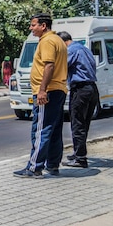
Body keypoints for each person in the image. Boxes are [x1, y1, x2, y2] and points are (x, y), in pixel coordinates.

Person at [14, 13, 67, 178]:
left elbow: (49, 66)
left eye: (33, 25)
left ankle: (34, 167)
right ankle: (52, 164)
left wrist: (42, 90)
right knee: (54, 129)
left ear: (43, 25)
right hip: (58, 89)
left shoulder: (47, 41)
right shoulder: (58, 40)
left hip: (47, 91)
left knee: (41, 129)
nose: (31, 28)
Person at [57, 31, 97, 168]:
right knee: (84, 124)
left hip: (80, 90)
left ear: (62, 43)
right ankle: (78, 153)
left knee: (77, 124)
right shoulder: (84, 49)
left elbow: (60, 66)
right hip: (92, 89)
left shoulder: (70, 51)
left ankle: (80, 158)